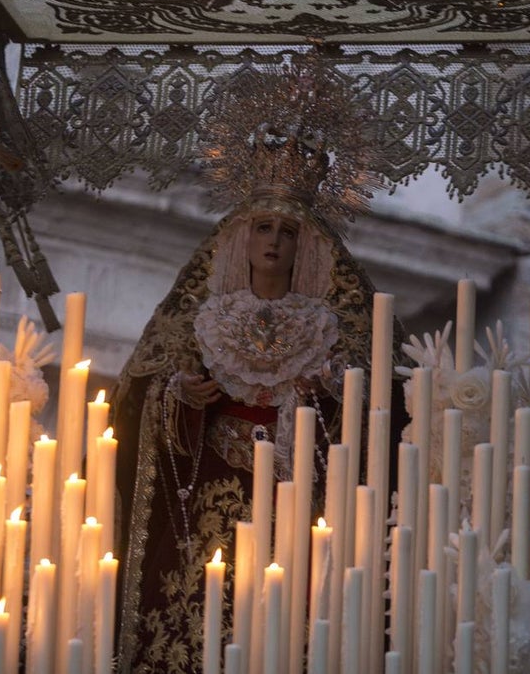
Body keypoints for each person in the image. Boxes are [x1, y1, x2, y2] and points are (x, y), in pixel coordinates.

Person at [112, 68, 390, 672]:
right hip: (211, 491)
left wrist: (327, 400)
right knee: (191, 617)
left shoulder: (332, 329)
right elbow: (137, 397)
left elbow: (380, 419)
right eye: (263, 228)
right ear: (241, 240)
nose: (274, 242)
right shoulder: (202, 320)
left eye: (287, 232)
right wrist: (180, 395)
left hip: (299, 502)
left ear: (305, 246)